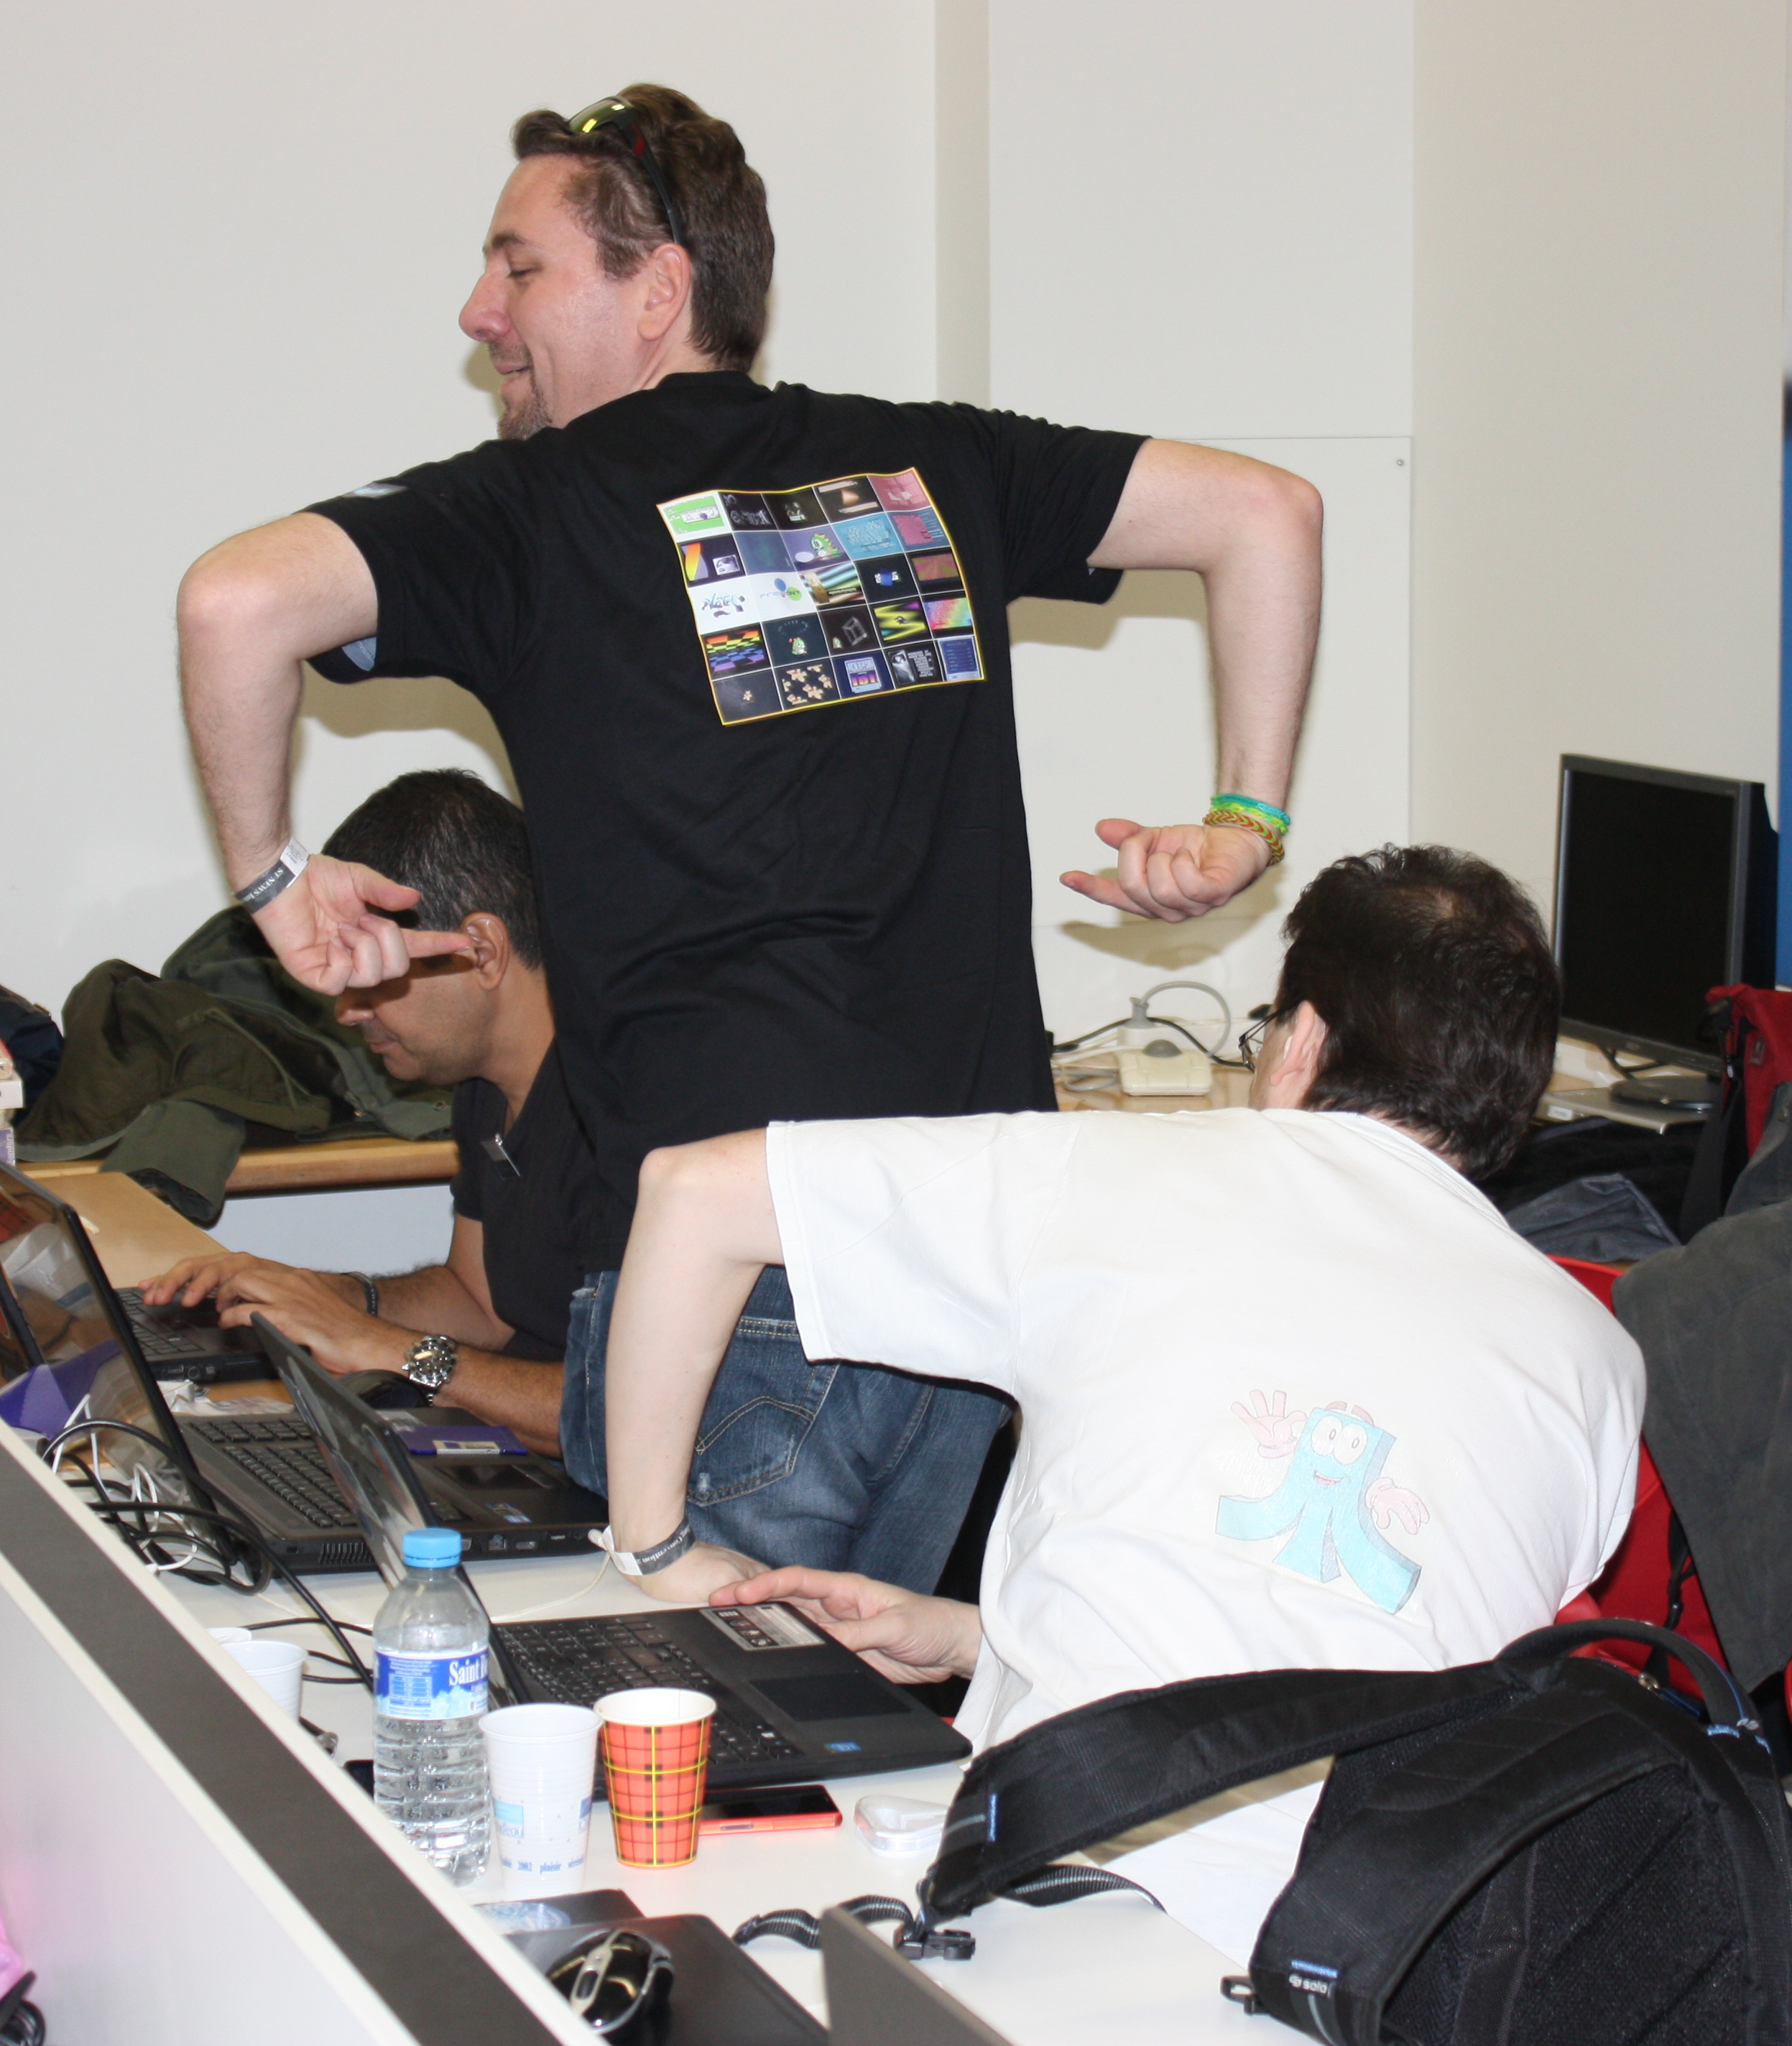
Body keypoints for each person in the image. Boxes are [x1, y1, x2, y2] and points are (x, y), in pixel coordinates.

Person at [174, 84, 1323, 1591]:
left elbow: (233, 603)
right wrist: (1246, 820)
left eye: (520, 268)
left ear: (658, 289)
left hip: (738, 1291)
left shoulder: (539, 512)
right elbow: (1268, 511)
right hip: (972, 1274)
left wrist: (272, 879)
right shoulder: (923, 469)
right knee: (848, 1697)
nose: (479, 311)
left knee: (700, 1707)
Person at [592, 844, 1792, 2046]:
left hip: (1053, 1926)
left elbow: (690, 1191)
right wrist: (969, 1636)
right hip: (1379, 1966)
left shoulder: (1124, 1172)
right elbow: (1383, 1642)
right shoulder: (1594, 1355)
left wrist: (654, 1549)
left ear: (1299, 1042)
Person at [142, 770, 578, 1452]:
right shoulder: (484, 1089)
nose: (348, 1010)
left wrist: (380, 1346)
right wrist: (326, 1297)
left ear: (482, 951)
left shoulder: (629, 1119)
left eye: (371, 971)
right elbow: (481, 1304)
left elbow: (625, 1416)